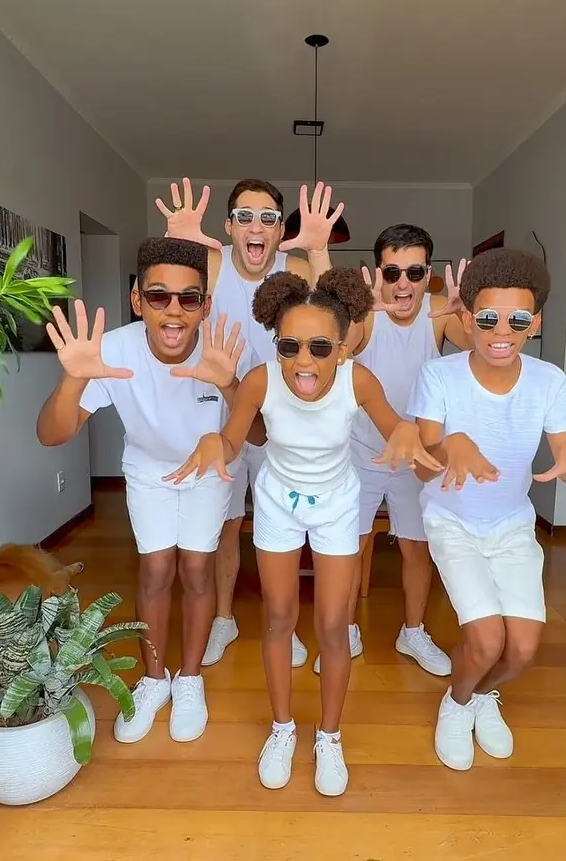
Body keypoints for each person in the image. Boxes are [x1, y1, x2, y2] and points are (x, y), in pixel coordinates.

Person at [166, 267, 442, 796]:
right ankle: (282, 728)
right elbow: (234, 441)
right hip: (278, 504)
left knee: (334, 627)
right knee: (278, 618)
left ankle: (329, 737)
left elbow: (395, 427)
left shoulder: (358, 381)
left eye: (320, 347)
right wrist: (213, 443)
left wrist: (408, 434)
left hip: (337, 505)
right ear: (276, 344)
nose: (304, 361)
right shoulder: (260, 380)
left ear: (343, 348)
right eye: (289, 346)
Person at [406, 248, 566, 771]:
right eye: (488, 318)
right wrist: (449, 447)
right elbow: (421, 467)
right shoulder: (439, 376)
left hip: (511, 524)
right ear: (468, 318)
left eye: (517, 319)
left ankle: (482, 695)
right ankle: (457, 702)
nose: (501, 332)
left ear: (536, 323)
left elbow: (565, 452)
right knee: (486, 640)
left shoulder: (549, 381)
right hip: (452, 521)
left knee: (524, 649)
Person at [37, 238, 260, 744]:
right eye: (159, 296)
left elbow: (260, 434)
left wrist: (230, 385)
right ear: (138, 300)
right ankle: (155, 679)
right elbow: (51, 434)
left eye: (189, 298)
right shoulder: (114, 350)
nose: (174, 310)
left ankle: (190, 680)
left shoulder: (223, 348)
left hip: (209, 470)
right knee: (156, 569)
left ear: (205, 304)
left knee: (198, 568)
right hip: (146, 469)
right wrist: (72, 380)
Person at [156, 178, 341, 668]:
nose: (255, 227)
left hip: (283, 416)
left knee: (285, 524)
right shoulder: (212, 264)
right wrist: (179, 244)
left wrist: (318, 251)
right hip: (222, 411)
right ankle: (224, 619)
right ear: (229, 226)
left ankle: (285, 625)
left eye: (267, 219)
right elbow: (170, 294)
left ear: (280, 231)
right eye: (244, 217)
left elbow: (336, 317)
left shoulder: (294, 268)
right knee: (227, 521)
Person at [312, 224, 473, 676]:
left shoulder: (441, 313)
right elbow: (332, 354)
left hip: (418, 456)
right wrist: (357, 313)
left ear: (428, 274)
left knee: (417, 550)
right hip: (361, 452)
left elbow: (487, 351)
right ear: (378, 272)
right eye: (392, 272)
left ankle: (413, 631)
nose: (403, 284)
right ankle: (344, 633)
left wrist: (467, 315)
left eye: (415, 272)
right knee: (350, 547)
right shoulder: (366, 315)